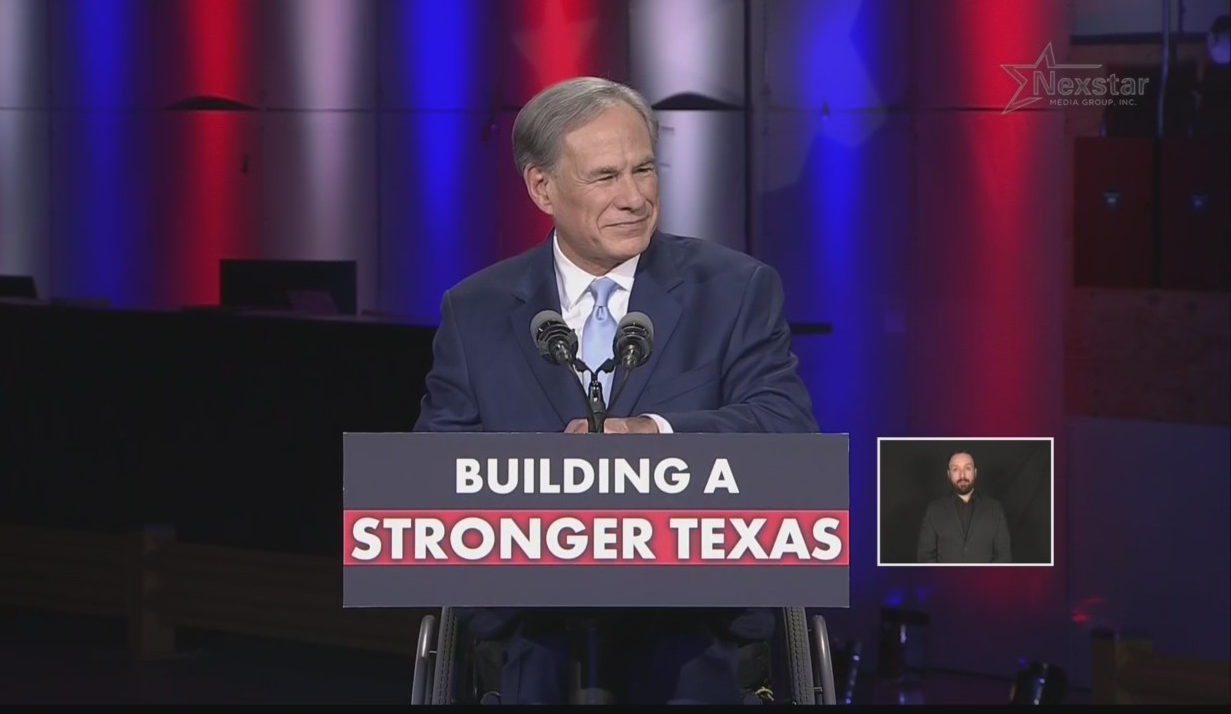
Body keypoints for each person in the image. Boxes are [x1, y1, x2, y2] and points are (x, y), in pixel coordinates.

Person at [412, 76, 819, 704]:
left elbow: (786, 429)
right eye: (604, 176)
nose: (634, 197)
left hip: (694, 631)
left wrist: (655, 435)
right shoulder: (476, 310)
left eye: (644, 170)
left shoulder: (734, 290)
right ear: (542, 188)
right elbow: (431, 478)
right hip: (533, 634)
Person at [915, 451, 1012, 564]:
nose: (962, 475)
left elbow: (1004, 557)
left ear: (975, 472)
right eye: (955, 469)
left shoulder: (995, 509)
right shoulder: (933, 509)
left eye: (967, 468)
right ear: (948, 474)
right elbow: (925, 557)